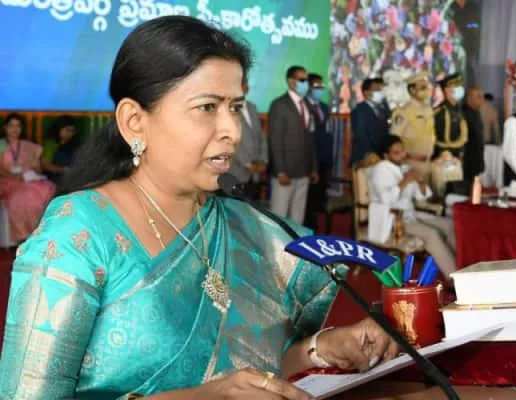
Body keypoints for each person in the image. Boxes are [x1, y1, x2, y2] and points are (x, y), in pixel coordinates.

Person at [0, 17, 399, 400]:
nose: (233, 131)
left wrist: (321, 349)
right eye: (208, 107)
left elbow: (254, 372)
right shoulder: (78, 234)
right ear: (134, 121)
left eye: (236, 107)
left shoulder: (249, 228)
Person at [367, 135, 456, 280]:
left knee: (451, 225)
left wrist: (420, 182)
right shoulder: (380, 170)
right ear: (386, 155)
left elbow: (421, 197)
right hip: (392, 219)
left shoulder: (405, 168)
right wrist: (405, 180)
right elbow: (386, 199)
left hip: (412, 213)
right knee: (432, 234)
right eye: (396, 153)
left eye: (402, 151)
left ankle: (461, 268)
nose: (402, 155)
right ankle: (453, 278)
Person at [268, 65, 319, 224]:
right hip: (285, 173)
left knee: (298, 218)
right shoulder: (279, 104)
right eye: (302, 80)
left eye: (307, 80)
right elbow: (275, 139)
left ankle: (295, 242)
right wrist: (280, 171)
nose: (306, 84)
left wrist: (313, 167)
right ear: (291, 81)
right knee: (279, 218)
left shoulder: (307, 105)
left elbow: (310, 138)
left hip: (304, 171)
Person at [0, 113, 55, 244]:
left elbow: (39, 169)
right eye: (11, 125)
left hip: (28, 180)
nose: (15, 129)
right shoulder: (1, 144)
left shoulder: (29, 146)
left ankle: (41, 234)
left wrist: (34, 169)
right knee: (23, 198)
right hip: (6, 180)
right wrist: (13, 176)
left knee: (47, 190)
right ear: (5, 127)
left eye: (18, 126)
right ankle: (24, 235)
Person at [390, 72, 435, 182]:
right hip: (411, 164)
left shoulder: (429, 110)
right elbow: (394, 138)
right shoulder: (403, 112)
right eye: (422, 87)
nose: (426, 91)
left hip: (428, 162)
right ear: (412, 90)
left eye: (426, 87)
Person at [229, 76, 268, 200]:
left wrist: (263, 160)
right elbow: (231, 139)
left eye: (246, 84)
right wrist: (248, 163)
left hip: (255, 175)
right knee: (237, 210)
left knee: (253, 208)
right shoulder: (228, 109)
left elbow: (261, 137)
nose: (245, 87)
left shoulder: (252, 107)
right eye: (242, 84)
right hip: (237, 173)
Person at [304, 73, 333, 231]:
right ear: (308, 87)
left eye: (322, 86)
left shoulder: (324, 107)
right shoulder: (302, 106)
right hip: (309, 160)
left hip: (324, 159)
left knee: (320, 199)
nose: (320, 89)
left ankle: (318, 231)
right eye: (317, 86)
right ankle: (309, 231)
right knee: (308, 201)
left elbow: (328, 132)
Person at [350, 78, 390, 165]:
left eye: (381, 90)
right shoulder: (359, 110)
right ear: (366, 92)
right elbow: (361, 135)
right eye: (377, 90)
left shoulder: (383, 109)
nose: (381, 93)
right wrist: (370, 153)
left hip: (381, 155)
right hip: (366, 157)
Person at [432, 73, 468, 160]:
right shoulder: (439, 111)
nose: (457, 88)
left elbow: (463, 133)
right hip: (443, 155)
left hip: (456, 153)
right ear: (446, 89)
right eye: (454, 85)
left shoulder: (458, 109)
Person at [41, 114, 80, 183]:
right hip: (53, 178)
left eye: (72, 131)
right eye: (67, 130)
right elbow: (45, 165)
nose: (70, 133)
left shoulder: (74, 144)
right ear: (59, 129)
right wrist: (63, 170)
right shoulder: (50, 144)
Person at [462, 87, 485, 184]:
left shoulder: (476, 113)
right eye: (478, 97)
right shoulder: (463, 114)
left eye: (482, 96)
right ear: (469, 98)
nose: (482, 100)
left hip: (476, 162)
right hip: (466, 164)